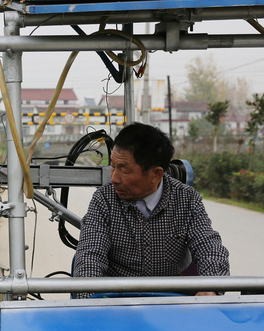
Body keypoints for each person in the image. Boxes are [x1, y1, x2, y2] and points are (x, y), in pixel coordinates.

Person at [73, 122, 229, 297]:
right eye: (113, 167)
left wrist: (211, 288)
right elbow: (90, 255)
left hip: (172, 298)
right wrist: (89, 300)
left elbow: (209, 247)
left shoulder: (186, 199)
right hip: (118, 298)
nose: (114, 178)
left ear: (156, 174)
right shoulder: (104, 199)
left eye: (124, 170)